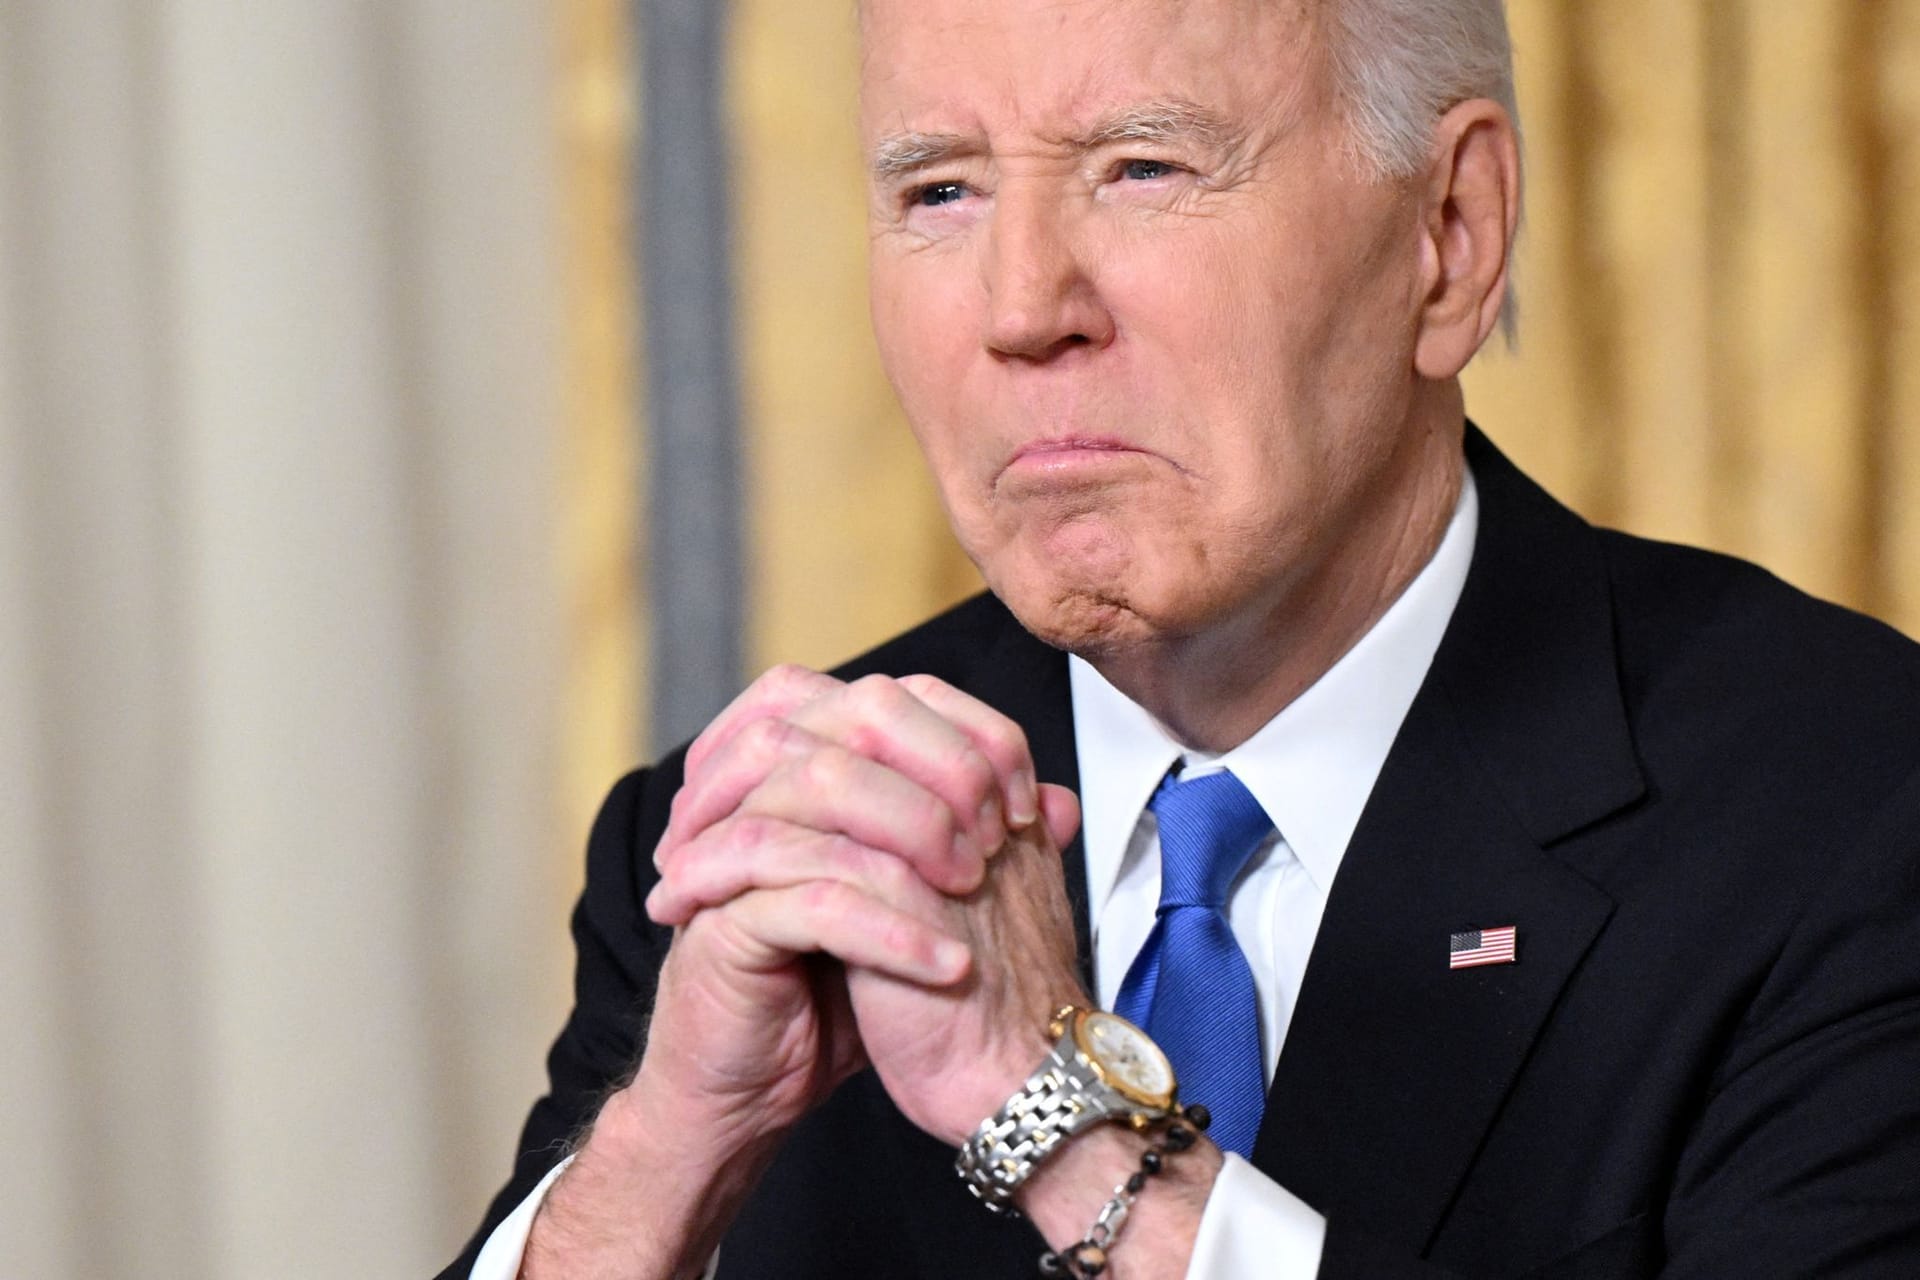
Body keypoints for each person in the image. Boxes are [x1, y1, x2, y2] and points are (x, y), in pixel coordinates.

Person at [442, 0, 1920, 1276]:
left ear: (1451, 234)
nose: (1023, 310)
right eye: (941, 193)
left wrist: (1069, 1135)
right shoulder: (748, 839)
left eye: (1142, 168)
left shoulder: (1846, 806)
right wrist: (657, 1169)